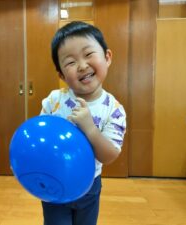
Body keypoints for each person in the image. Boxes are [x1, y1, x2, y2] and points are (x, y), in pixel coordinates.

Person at [40, 21, 126, 225]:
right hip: (54, 181)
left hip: (89, 185)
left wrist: (89, 128)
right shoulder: (54, 101)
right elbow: (41, 138)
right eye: (70, 62)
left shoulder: (113, 109)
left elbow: (109, 155)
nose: (82, 65)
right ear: (61, 75)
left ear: (107, 57)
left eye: (88, 54)